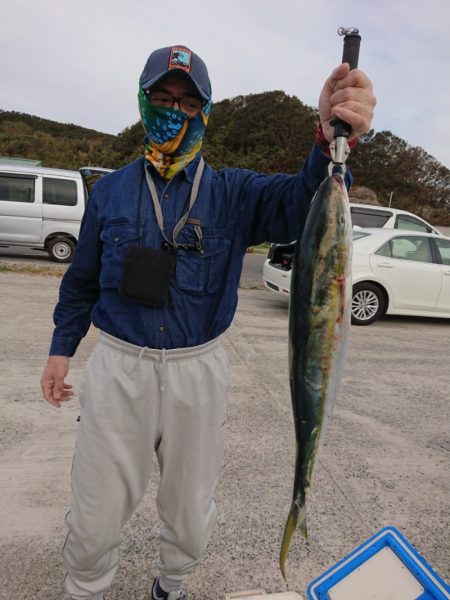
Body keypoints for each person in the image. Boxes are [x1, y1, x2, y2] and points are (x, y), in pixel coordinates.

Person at [40, 44, 376, 600]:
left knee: (191, 515)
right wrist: (60, 350)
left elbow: (301, 200)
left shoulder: (235, 193)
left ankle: (169, 586)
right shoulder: (109, 192)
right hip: (120, 365)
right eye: (163, 98)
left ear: (206, 112)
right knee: (94, 511)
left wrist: (328, 137)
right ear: (143, 102)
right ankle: (86, 588)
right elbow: (80, 281)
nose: (175, 110)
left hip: (199, 370)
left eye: (189, 103)